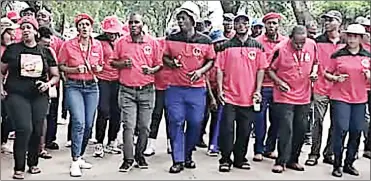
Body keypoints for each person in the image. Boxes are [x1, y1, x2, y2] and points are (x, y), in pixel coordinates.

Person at [1, 16, 60, 179]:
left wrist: (48, 84)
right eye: (23, 27)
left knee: (37, 128)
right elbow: (1, 70)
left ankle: (33, 163)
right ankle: (18, 167)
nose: (25, 30)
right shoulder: (13, 49)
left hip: (39, 95)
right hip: (16, 94)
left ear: (35, 31)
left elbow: (55, 75)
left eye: (29, 27)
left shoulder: (45, 51)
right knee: (24, 128)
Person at [163, 1, 215, 173]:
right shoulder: (172, 38)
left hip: (197, 89)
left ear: (193, 19)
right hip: (175, 89)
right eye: (179, 18)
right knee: (176, 121)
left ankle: (187, 155)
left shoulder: (205, 41)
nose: (180, 21)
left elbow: (211, 60)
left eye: (183, 18)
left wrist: (200, 71)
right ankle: (177, 159)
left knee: (195, 122)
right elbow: (165, 58)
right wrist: (172, 62)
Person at [110, 13, 162, 172]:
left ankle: (140, 154)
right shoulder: (121, 42)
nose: (133, 25)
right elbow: (112, 62)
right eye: (131, 22)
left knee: (145, 126)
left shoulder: (152, 43)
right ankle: (128, 159)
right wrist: (122, 64)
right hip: (127, 91)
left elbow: (159, 64)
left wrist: (151, 70)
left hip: (147, 90)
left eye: (136, 22)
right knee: (128, 126)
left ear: (142, 24)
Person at [217, 12, 266, 172]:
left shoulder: (257, 46)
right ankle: (225, 159)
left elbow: (261, 69)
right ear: (234, 25)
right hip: (230, 96)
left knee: (245, 131)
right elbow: (219, 69)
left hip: (249, 97)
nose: (241, 25)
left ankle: (240, 158)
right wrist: (219, 90)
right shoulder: (226, 46)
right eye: (238, 22)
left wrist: (258, 90)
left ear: (249, 25)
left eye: (244, 22)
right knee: (227, 130)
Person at [58, 13, 103, 177]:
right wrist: (74, 70)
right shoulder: (68, 45)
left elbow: (101, 65)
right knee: (79, 122)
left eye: (87, 24)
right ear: (77, 27)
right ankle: (75, 160)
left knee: (89, 124)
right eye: (81, 24)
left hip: (92, 86)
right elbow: (61, 66)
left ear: (91, 27)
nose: (84, 27)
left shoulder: (97, 45)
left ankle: (81, 155)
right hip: (74, 85)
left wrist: (98, 68)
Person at [269, 25, 318, 173]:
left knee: (301, 129)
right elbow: (270, 69)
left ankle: (293, 160)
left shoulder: (312, 44)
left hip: (304, 95)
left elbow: (316, 62)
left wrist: (314, 73)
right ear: (290, 38)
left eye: (303, 42)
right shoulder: (280, 48)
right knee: (286, 129)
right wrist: (279, 82)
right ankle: (280, 161)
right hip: (285, 95)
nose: (300, 46)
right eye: (297, 43)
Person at [324, 24, 371, 177]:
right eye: (349, 36)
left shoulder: (367, 56)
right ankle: (337, 163)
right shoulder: (338, 55)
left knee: (357, 130)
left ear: (361, 38)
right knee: (341, 130)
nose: (352, 39)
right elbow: (326, 73)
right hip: (340, 98)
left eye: (355, 36)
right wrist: (335, 78)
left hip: (359, 99)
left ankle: (349, 163)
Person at [305, 10, 345, 167]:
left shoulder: (346, 41)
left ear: (339, 22)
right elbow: (314, 62)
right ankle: (313, 153)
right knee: (318, 121)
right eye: (325, 20)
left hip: (340, 89)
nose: (326, 22)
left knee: (337, 123)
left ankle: (329, 153)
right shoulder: (317, 41)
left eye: (330, 20)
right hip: (321, 87)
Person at [254, 12, 288, 162]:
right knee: (259, 119)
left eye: (274, 23)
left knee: (277, 120)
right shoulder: (257, 42)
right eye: (269, 23)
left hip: (278, 86)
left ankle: (269, 148)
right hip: (262, 86)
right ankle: (258, 149)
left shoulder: (286, 42)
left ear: (278, 24)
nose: (272, 26)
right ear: (264, 25)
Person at [93, 15, 123, 158]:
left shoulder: (123, 41)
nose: (111, 34)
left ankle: (112, 141)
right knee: (103, 110)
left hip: (118, 80)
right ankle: (99, 142)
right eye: (109, 32)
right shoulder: (98, 42)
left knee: (116, 111)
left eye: (114, 31)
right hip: (102, 79)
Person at [143, 29, 175, 157]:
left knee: (171, 117)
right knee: (155, 115)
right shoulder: (158, 43)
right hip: (157, 85)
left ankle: (171, 144)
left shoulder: (179, 45)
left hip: (173, 86)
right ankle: (151, 144)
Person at [204, 29, 228, 156]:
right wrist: (212, 97)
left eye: (222, 42)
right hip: (209, 90)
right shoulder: (210, 58)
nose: (220, 45)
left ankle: (215, 144)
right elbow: (206, 78)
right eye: (217, 42)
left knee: (218, 118)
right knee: (203, 117)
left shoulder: (225, 56)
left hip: (221, 90)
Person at [1, 17, 18, 154]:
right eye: (8, 33)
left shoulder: (13, 49)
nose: (12, 36)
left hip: (8, 86)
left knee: (8, 115)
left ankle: (3, 141)